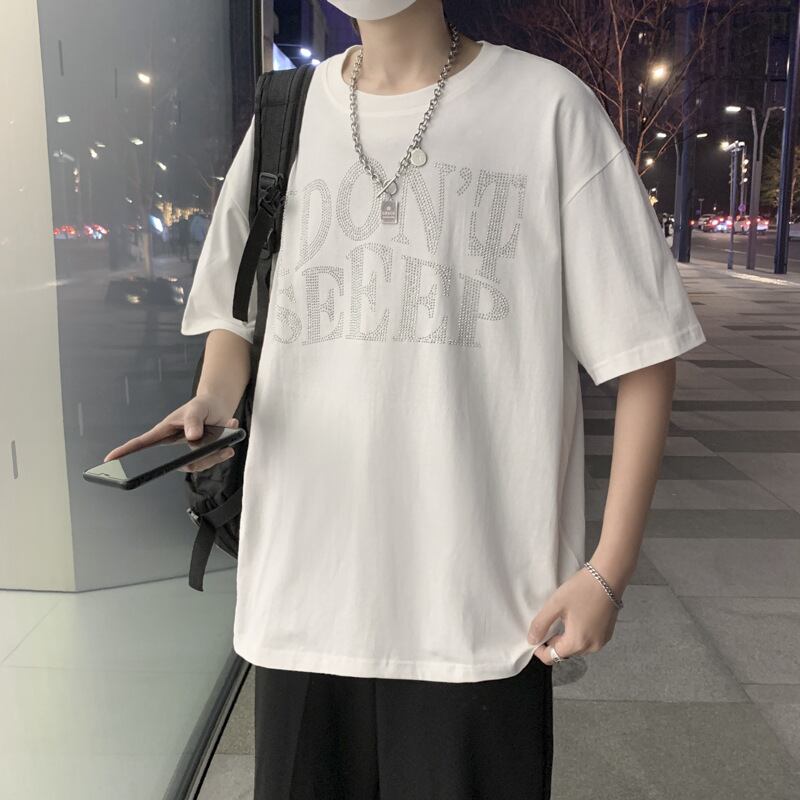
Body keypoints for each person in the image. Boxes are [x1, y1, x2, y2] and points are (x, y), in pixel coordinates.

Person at [103, 1, 706, 796]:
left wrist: (607, 571)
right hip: (301, 601)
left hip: (481, 608)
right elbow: (236, 310)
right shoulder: (286, 114)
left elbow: (645, 351)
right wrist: (212, 399)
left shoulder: (548, 108)